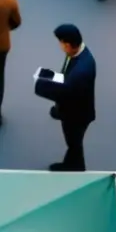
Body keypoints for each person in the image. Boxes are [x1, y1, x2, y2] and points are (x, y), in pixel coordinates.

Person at [34, 24, 96, 172]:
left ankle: (76, 167)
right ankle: (72, 164)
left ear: (67, 44)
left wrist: (40, 85)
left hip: (76, 115)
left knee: (73, 141)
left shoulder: (81, 71)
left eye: (61, 43)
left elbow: (66, 93)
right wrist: (49, 75)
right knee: (74, 142)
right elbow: (66, 77)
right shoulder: (78, 55)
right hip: (78, 111)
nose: (60, 46)